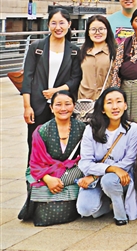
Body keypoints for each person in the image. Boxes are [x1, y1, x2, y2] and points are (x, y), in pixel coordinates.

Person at [21, 7, 82, 156]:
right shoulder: (37, 47)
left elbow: (75, 78)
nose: (58, 27)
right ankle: (33, 171)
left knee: (60, 147)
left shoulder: (74, 50)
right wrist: (27, 106)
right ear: (48, 25)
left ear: (69, 24)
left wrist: (55, 91)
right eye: (54, 23)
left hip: (62, 106)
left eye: (62, 23)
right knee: (35, 145)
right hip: (38, 106)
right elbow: (27, 78)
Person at [76, 87, 137, 225]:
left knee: (109, 180)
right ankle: (106, 202)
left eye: (119, 101)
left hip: (121, 178)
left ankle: (120, 215)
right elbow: (85, 163)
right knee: (85, 209)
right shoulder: (90, 129)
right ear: (103, 109)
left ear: (125, 105)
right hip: (97, 176)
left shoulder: (132, 129)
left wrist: (99, 174)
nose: (115, 106)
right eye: (109, 102)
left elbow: (129, 161)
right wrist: (111, 169)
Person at [23, 90, 86, 226]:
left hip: (71, 171)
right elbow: (36, 162)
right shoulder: (42, 131)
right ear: (51, 108)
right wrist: (47, 179)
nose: (63, 108)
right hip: (47, 171)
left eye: (67, 104)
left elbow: (86, 158)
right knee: (30, 174)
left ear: (74, 106)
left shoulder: (83, 129)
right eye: (58, 104)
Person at [77, 15, 117, 102]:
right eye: (93, 29)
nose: (97, 32)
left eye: (101, 29)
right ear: (88, 32)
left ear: (107, 30)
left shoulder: (115, 52)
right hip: (84, 100)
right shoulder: (82, 52)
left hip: (106, 99)